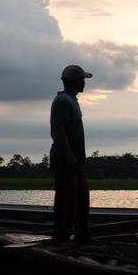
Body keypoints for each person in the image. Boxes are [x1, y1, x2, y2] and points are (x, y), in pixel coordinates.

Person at [50, 64, 93, 246]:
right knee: (66, 200)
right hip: (66, 160)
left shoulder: (72, 101)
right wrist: (69, 157)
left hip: (76, 160)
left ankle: (82, 236)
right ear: (74, 82)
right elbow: (59, 130)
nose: (84, 82)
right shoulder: (62, 101)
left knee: (81, 198)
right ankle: (61, 238)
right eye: (82, 79)